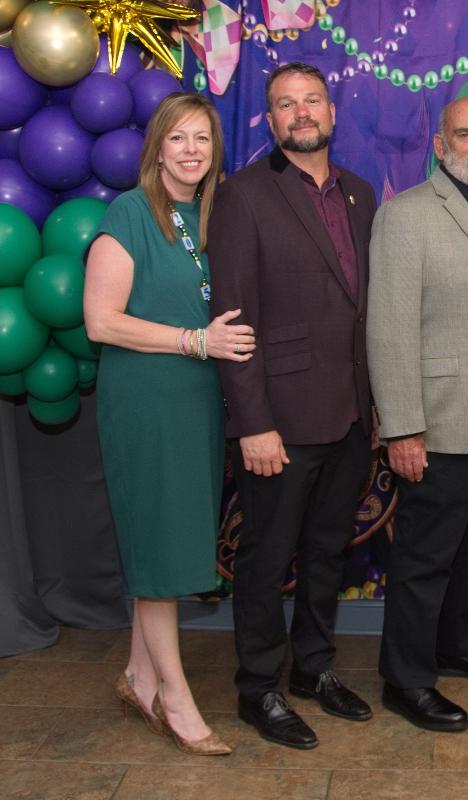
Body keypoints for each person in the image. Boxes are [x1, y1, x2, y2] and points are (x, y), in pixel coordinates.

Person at [206, 62, 376, 750]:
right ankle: (257, 688)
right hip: (278, 418)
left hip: (351, 413)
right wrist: (253, 423)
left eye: (312, 100)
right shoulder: (244, 196)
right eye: (286, 105)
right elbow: (233, 317)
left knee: (328, 551)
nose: (302, 113)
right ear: (271, 122)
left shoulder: (361, 193)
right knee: (267, 555)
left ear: (332, 111)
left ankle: (313, 669)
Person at [84, 92, 253, 756]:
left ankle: (137, 674)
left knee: (172, 539)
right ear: (156, 146)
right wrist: (194, 342)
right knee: (159, 550)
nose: (191, 151)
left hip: (197, 402)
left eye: (203, 140)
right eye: (178, 138)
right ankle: (176, 701)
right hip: (147, 401)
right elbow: (102, 321)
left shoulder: (209, 215)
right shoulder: (128, 213)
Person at [367, 97, 468, 732]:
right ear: (440, 147)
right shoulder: (406, 216)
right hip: (438, 421)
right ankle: (406, 680)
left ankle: (455, 646)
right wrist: (404, 426)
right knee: (424, 557)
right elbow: (388, 329)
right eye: (465, 134)